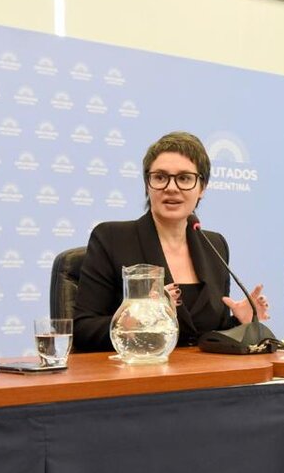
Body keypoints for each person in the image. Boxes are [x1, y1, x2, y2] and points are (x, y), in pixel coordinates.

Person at [73, 131, 268, 351]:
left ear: (202, 188)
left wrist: (239, 322)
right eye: (160, 177)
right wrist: (140, 317)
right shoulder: (112, 239)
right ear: (148, 184)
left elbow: (206, 334)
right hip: (136, 377)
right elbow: (82, 330)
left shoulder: (214, 245)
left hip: (203, 378)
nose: (171, 187)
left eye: (184, 178)